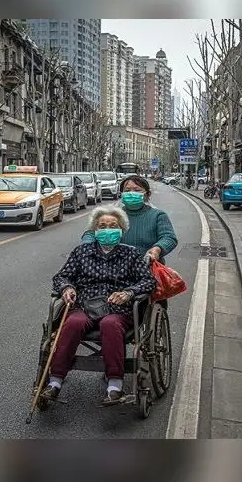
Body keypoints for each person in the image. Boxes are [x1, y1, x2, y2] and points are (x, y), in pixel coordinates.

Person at [41, 206, 158, 407]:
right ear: (95, 230)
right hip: (85, 305)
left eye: (113, 226)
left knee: (110, 325)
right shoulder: (81, 252)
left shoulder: (131, 254)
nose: (107, 229)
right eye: (102, 226)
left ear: (121, 229)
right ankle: (55, 382)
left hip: (118, 309)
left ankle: (114, 386)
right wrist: (67, 288)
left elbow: (148, 282)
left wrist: (128, 293)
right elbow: (62, 276)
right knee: (72, 323)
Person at [81, 174, 178, 265]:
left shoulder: (158, 216)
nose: (131, 193)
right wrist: (88, 247)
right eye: (127, 191)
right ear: (122, 194)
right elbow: (90, 233)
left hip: (149, 268)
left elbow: (169, 238)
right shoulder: (113, 216)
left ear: (147, 194)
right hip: (116, 269)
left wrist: (157, 249)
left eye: (137, 190)